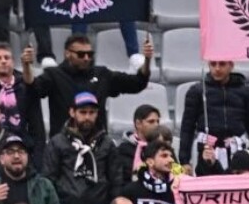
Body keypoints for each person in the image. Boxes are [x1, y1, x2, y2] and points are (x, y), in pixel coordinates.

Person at [21, 33, 154, 139]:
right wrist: (26, 66)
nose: (86, 58)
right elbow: (33, 88)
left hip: (98, 144)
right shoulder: (54, 75)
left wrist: (147, 60)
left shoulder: (102, 74)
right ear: (67, 53)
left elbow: (137, 83)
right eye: (81, 54)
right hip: (63, 145)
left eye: (90, 54)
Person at [179, 61, 249, 171]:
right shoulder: (196, 91)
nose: (217, 69)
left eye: (222, 64)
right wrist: (184, 160)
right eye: (213, 64)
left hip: (237, 150)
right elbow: (187, 127)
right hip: (207, 151)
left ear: (231, 65)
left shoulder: (245, 91)